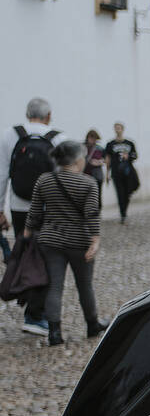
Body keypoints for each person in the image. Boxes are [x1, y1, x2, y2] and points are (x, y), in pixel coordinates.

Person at [24, 140, 105, 346]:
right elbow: (91, 215)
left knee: (54, 287)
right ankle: (92, 324)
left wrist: (26, 234)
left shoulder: (44, 180)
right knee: (84, 285)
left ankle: (54, 333)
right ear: (78, 160)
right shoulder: (88, 183)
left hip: (50, 240)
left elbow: (34, 212)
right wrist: (95, 240)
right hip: (80, 241)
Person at [9, 97, 58, 335]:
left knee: (25, 255)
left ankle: (30, 307)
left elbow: (0, 174)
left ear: (27, 114)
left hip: (18, 206)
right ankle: (35, 315)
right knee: (46, 260)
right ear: (49, 115)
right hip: (47, 209)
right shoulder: (58, 138)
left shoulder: (11, 135)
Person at [104, 123, 138, 222]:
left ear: (123, 129)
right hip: (116, 172)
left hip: (128, 172)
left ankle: (124, 211)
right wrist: (107, 173)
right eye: (115, 128)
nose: (117, 130)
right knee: (120, 193)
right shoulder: (110, 144)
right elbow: (107, 159)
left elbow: (135, 155)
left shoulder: (129, 143)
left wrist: (128, 156)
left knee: (129, 191)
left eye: (119, 128)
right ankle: (123, 214)